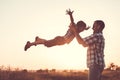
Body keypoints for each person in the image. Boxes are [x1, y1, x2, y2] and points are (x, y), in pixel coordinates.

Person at [24, 21, 89, 51]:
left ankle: (38, 39)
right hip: (61, 40)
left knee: (47, 43)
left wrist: (85, 29)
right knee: (47, 44)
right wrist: (71, 15)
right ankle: (30, 44)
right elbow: (72, 20)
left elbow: (80, 30)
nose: (82, 30)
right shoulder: (74, 28)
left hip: (61, 41)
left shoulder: (77, 31)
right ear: (79, 26)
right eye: (82, 28)